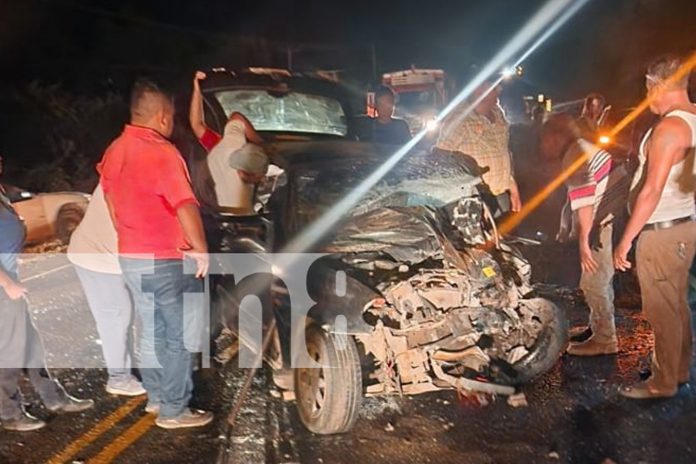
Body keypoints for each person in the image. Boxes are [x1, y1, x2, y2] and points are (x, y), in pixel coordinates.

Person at [99, 79, 212, 428]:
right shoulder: (162, 152)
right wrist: (201, 249)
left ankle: (157, 397)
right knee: (178, 336)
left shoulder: (115, 149)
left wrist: (129, 235)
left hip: (131, 255)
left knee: (151, 329)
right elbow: (185, 204)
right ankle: (175, 411)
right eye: (172, 116)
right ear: (163, 116)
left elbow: (110, 200)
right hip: (165, 258)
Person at [614, 54, 696, 399]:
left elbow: (651, 191)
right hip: (684, 227)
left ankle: (663, 383)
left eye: (648, 88)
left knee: (662, 309)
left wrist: (625, 241)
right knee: (676, 303)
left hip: (661, 232)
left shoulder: (669, 129)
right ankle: (677, 371)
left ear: (658, 85)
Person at [0, 154, 93, 432]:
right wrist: (7, 284)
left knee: (32, 346)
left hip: (11, 283)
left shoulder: (3, 192)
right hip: (4, 289)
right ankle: (9, 412)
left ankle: (53, 397)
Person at [541, 114, 631, 356]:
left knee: (593, 280)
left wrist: (583, 243)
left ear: (558, 137)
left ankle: (605, 339)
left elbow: (585, 205)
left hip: (604, 219)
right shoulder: (581, 147)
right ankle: (597, 328)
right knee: (599, 277)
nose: (543, 145)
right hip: (614, 213)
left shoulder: (574, 156)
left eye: (546, 138)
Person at [67, 183, 146, 396]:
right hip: (97, 258)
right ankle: (119, 378)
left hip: (106, 254)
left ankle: (126, 368)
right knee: (115, 318)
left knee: (124, 316)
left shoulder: (120, 171)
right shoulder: (134, 185)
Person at [436, 79, 521, 216]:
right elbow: (441, 158)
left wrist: (513, 188)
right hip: (474, 203)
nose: (500, 91)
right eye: (495, 88)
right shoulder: (459, 118)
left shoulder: (498, 115)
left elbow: (504, 152)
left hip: (501, 196)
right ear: (480, 90)